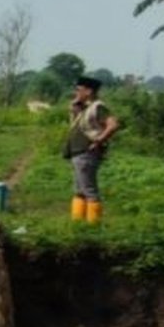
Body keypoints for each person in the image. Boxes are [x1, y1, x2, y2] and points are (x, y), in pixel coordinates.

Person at [65, 75, 120, 224]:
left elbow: (113, 125)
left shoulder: (98, 107)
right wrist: (75, 107)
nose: (76, 93)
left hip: (87, 153)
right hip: (78, 153)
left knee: (89, 190)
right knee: (79, 190)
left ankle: (93, 226)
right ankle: (78, 223)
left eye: (79, 90)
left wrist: (99, 140)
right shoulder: (84, 107)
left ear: (88, 91)